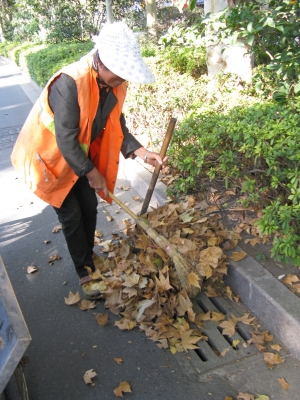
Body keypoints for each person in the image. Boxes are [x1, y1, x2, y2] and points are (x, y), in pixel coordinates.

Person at [11, 22, 167, 298]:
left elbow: (117, 124)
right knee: (71, 214)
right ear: (103, 62)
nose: (123, 80)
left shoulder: (114, 85)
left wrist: (142, 152)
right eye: (120, 74)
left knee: (89, 207)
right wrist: (92, 174)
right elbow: (66, 140)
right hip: (50, 158)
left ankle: (88, 256)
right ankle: (85, 270)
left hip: (78, 159)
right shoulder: (69, 83)